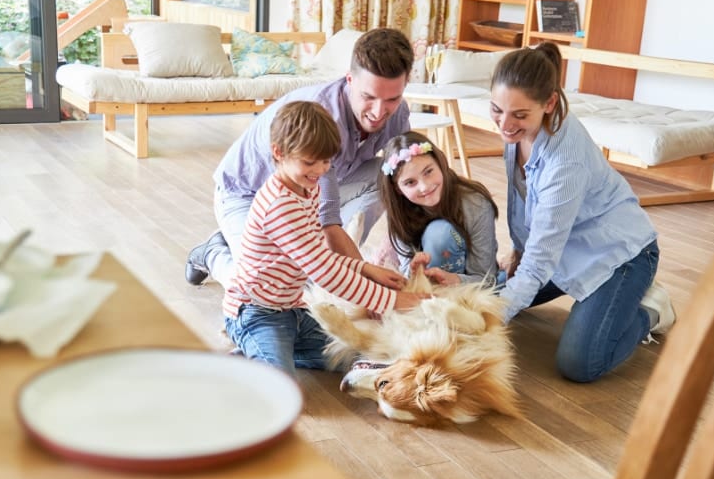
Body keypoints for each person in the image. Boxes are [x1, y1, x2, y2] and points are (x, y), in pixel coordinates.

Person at [489, 42, 675, 383]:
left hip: (619, 256)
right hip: (562, 252)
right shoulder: (516, 127)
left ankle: (651, 310)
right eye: (497, 109)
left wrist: (485, 323)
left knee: (580, 363)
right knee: (488, 295)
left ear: (549, 103)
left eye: (518, 115)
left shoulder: (566, 162)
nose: (504, 124)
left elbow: (540, 262)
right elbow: (520, 199)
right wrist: (517, 251)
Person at [185, 27, 415, 288]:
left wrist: (400, 257)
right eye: (368, 97)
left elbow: (409, 184)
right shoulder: (325, 119)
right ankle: (214, 252)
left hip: (308, 191)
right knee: (264, 288)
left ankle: (330, 266)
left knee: (389, 175)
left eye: (392, 99)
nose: (378, 111)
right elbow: (328, 221)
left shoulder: (397, 114)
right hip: (246, 195)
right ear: (350, 80)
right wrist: (367, 282)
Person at [223, 101, 426, 376]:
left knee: (348, 355)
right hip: (255, 312)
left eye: (326, 161)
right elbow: (324, 272)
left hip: (291, 310)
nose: (319, 170)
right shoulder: (280, 205)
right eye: (309, 162)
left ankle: (265, 350)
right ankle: (253, 347)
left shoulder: (308, 189)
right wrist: (391, 301)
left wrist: (366, 268)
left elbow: (320, 253)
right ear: (278, 153)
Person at [377, 131, 501, 287]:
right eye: (410, 182)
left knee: (439, 234)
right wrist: (414, 273)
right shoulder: (399, 212)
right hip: (427, 289)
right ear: (398, 189)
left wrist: (454, 280)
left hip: (469, 286)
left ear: (440, 163)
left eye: (428, 172)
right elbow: (406, 274)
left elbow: (486, 279)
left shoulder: (475, 205)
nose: (424, 186)